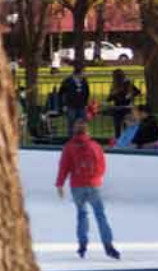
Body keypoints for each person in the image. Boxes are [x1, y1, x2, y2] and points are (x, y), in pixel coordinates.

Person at [53, 118, 119, 259]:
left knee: (82, 215)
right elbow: (102, 166)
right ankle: (108, 245)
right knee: (100, 215)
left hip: (77, 186)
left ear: (74, 131)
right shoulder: (95, 146)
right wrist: (97, 179)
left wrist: (59, 184)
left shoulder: (69, 147)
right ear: (87, 131)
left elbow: (64, 167)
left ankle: (82, 245)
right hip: (93, 185)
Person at [105, 69, 141, 138]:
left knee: (125, 127)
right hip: (117, 108)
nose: (113, 78)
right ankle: (119, 142)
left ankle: (125, 142)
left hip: (126, 108)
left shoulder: (127, 83)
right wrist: (108, 99)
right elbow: (111, 97)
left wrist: (131, 95)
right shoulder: (114, 84)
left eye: (114, 76)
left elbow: (137, 91)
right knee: (117, 127)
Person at [57, 64, 91, 132]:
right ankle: (72, 139)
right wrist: (63, 105)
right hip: (70, 106)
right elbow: (61, 93)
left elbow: (87, 92)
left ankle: (82, 139)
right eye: (84, 72)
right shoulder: (67, 81)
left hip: (82, 106)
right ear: (79, 73)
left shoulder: (84, 81)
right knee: (71, 123)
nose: (85, 74)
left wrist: (86, 103)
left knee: (83, 123)